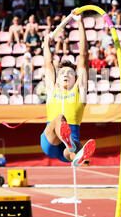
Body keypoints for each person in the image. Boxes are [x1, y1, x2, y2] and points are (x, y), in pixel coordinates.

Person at [40, 9, 96, 166]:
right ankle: (73, 146)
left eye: (70, 73)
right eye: (62, 73)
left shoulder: (80, 91)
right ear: (57, 79)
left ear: (76, 77)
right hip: (50, 141)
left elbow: (84, 57)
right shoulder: (53, 90)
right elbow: (48, 64)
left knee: (72, 154)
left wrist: (80, 23)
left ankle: (77, 157)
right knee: (59, 119)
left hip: (67, 146)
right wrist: (45, 44)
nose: (65, 75)